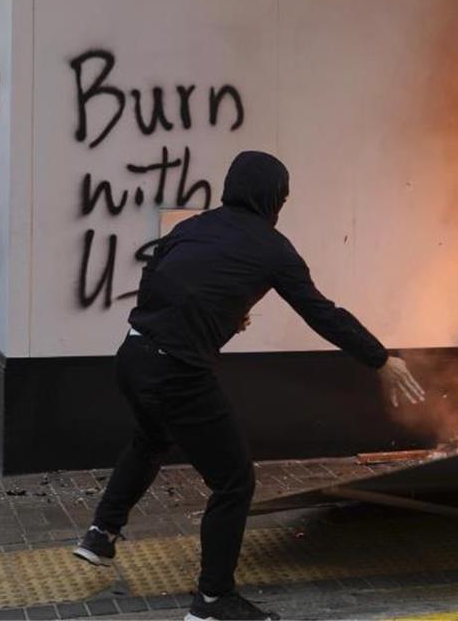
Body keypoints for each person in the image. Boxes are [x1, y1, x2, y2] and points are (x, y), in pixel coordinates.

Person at [71, 151, 426, 621]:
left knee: (151, 439)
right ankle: (213, 600)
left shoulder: (192, 226)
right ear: (273, 198)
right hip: (177, 370)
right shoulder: (272, 248)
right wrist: (380, 359)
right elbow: (322, 313)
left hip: (133, 354)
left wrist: (209, 314)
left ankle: (100, 534)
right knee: (234, 480)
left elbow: (157, 275)